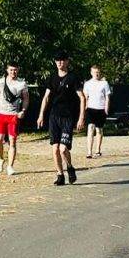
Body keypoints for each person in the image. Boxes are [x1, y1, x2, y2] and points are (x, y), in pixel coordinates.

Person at [38, 54, 86, 186]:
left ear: (67, 61)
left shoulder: (73, 77)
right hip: (54, 116)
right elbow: (46, 97)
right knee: (55, 149)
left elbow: (82, 97)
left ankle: (70, 167)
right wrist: (41, 114)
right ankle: (60, 175)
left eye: (62, 60)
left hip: (68, 117)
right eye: (57, 60)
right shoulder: (52, 78)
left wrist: (81, 117)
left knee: (63, 149)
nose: (59, 63)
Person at [0, 62, 29, 176]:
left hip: (14, 115)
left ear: (18, 70)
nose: (13, 72)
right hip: (1, 114)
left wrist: (23, 111)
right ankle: (0, 159)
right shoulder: (0, 82)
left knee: (12, 141)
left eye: (15, 70)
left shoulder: (22, 84)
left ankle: (10, 166)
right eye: (11, 70)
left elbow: (26, 99)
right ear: (7, 70)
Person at [82, 65, 112, 159]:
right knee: (90, 128)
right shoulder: (87, 84)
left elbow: (107, 96)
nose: (97, 74)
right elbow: (85, 97)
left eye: (98, 72)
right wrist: (84, 108)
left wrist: (106, 108)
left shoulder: (104, 83)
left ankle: (98, 150)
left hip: (101, 108)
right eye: (95, 72)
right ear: (91, 73)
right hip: (90, 109)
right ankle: (89, 152)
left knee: (99, 130)